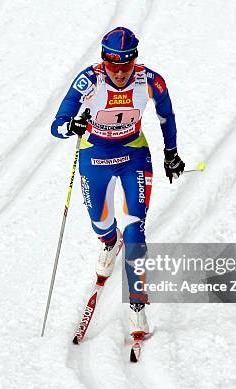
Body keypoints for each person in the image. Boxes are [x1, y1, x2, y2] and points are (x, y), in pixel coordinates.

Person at [50, 27, 185, 339]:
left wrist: (171, 153)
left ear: (135, 60)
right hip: (95, 155)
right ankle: (109, 243)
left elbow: (167, 117)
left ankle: (138, 306)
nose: (121, 73)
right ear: (104, 62)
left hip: (132, 154)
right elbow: (56, 126)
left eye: (126, 66)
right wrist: (72, 125)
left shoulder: (150, 80)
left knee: (135, 229)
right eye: (114, 67)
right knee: (101, 223)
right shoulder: (89, 80)